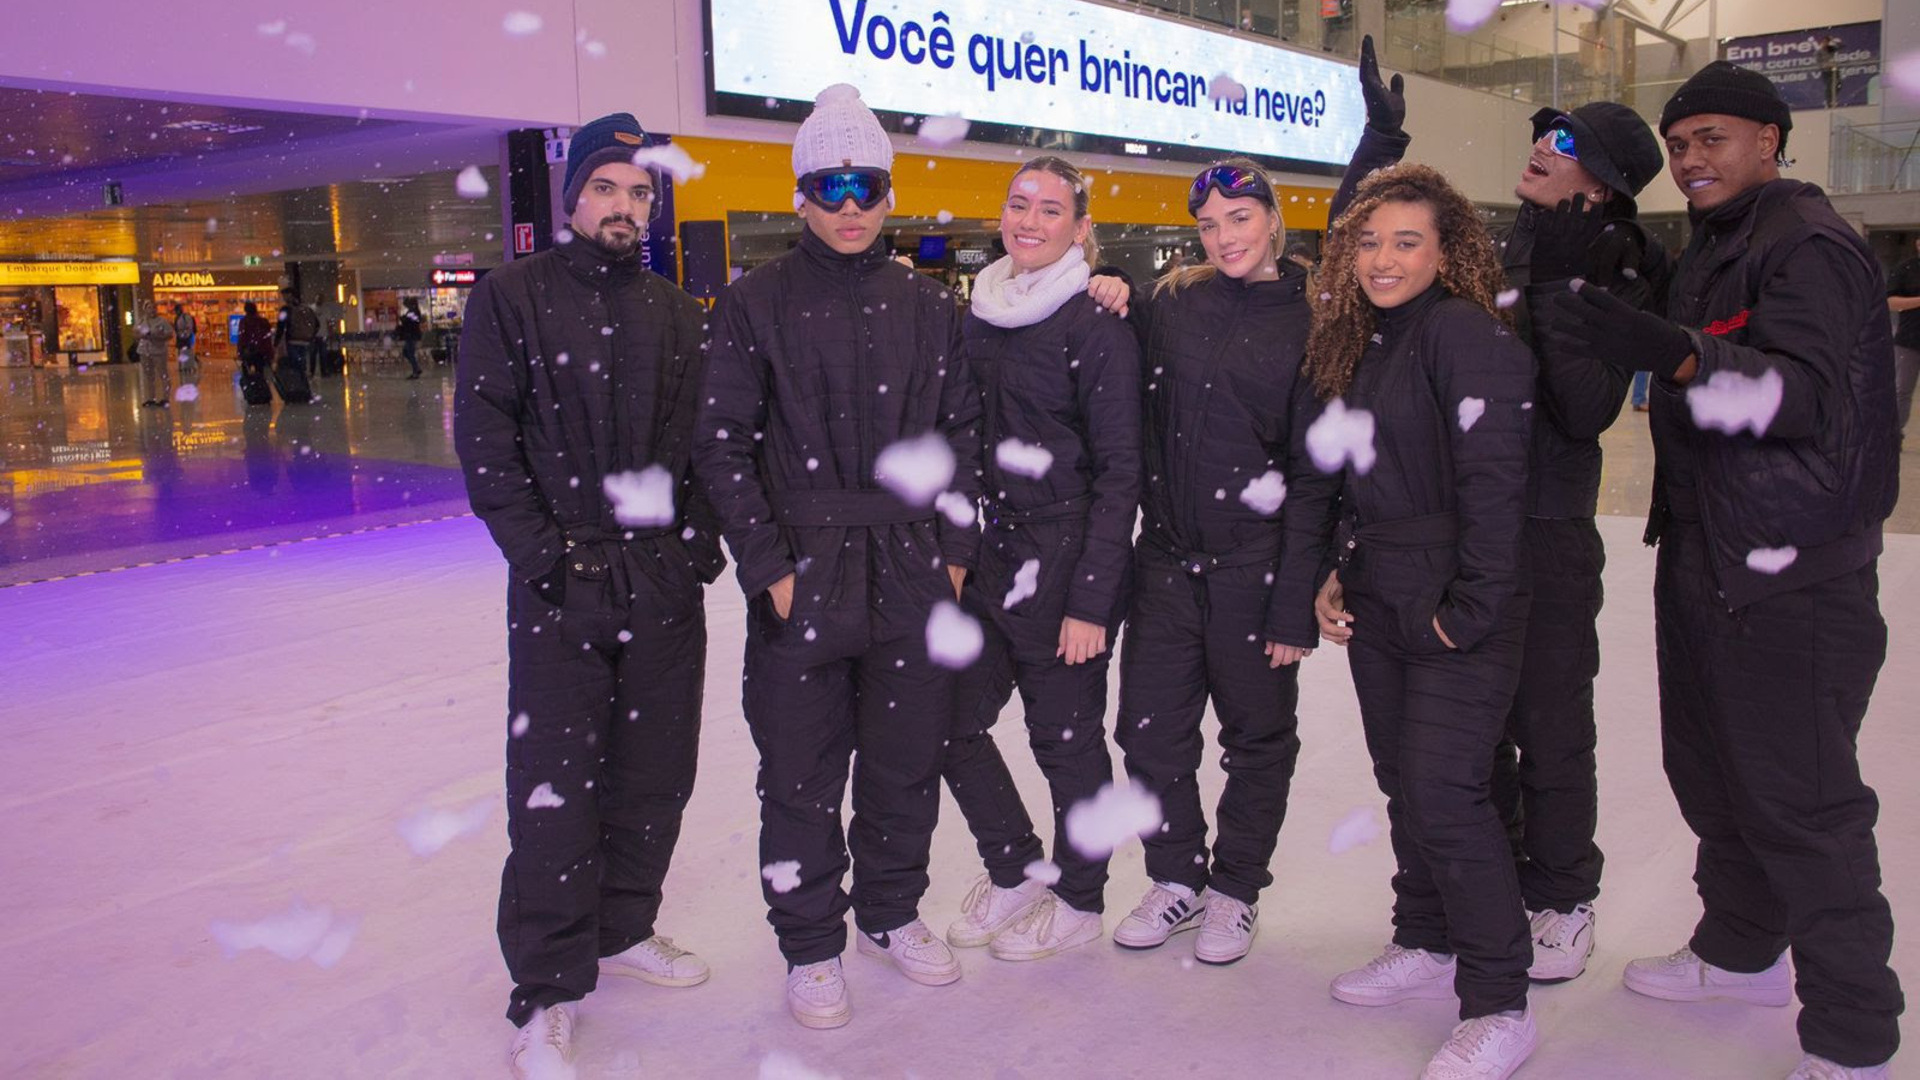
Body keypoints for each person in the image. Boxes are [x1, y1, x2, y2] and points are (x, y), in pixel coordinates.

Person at [1538, 61, 1904, 1080]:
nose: (1693, 159)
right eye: (1681, 142)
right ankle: (1741, 951)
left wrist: (1687, 354)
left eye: (1714, 139)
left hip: (1794, 574)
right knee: (1713, 773)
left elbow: (1809, 400)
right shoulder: (1717, 244)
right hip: (1709, 553)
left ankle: (1853, 1036)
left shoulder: (1807, 243)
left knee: (1802, 802)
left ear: (1769, 141)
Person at [1339, 37, 1670, 983]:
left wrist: (1566, 292)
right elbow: (1368, 254)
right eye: (1545, 131)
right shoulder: (1500, 246)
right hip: (1455, 527)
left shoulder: (1617, 262)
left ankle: (1560, 897)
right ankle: (1455, 909)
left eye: (1564, 142)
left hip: (1546, 531)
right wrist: (1381, 145)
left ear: (1601, 184)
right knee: (1454, 745)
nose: (1542, 144)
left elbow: (1584, 408)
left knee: (1550, 722)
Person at [694, 84, 984, 1031]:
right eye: (832, 184)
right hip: (805, 573)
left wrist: (951, 554)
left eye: (867, 184)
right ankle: (811, 941)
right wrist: (770, 567)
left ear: (889, 194)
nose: (851, 204)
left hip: (909, 568)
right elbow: (723, 445)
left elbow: (962, 437)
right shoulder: (753, 303)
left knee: (905, 761)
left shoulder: (930, 307)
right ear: (802, 194)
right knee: (801, 771)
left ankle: (891, 912)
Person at [453, 110, 725, 1078]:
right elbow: (488, 445)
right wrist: (544, 561)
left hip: (659, 584)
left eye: (639, 193)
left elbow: (706, 446)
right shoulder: (513, 298)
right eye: (607, 189)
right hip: (563, 584)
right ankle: (550, 987)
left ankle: (623, 928)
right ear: (574, 201)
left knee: (655, 775)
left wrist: (691, 553)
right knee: (558, 791)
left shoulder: (677, 312)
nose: (623, 207)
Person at [1307, 163, 1539, 1079]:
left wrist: (1468, 610)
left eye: (1406, 241)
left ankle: (1499, 1000)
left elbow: (1495, 483)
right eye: (1368, 241)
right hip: (1383, 589)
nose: (1382, 258)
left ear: (1448, 252)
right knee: (1407, 782)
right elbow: (1364, 476)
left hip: (1454, 601)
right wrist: (1338, 569)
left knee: (1448, 794)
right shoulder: (1370, 340)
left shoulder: (1463, 334)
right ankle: (1426, 937)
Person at [1086, 157, 1337, 966]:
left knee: (1256, 739)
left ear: (1272, 218)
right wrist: (1117, 282)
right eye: (1208, 224)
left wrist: (1294, 596)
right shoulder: (1177, 301)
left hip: (1254, 567)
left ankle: (1234, 890)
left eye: (1239, 218)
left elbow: (1313, 474)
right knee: (1148, 732)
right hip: (1165, 560)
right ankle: (1177, 879)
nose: (1224, 236)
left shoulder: (1311, 320)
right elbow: (1125, 353)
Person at [938, 156, 1141, 961]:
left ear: (1081, 230)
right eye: (1020, 203)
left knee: (1066, 739)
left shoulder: (1096, 324)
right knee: (950, 721)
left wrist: (1091, 599)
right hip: (990, 553)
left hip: (1064, 555)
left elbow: (1122, 472)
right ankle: (1017, 866)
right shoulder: (981, 310)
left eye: (1051, 210)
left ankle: (1082, 897)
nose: (1029, 220)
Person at [1886, 235, 1920, 432]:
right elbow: (1890, 302)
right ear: (1917, 244)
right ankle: (1893, 434)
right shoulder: (1905, 269)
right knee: (1902, 391)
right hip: (1909, 341)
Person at [134, 300, 175, 407]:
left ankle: (165, 398)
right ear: (145, 309)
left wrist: (158, 336)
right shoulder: (141, 321)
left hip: (158, 350)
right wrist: (141, 335)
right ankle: (150, 398)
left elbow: (170, 335)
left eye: (153, 308)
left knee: (163, 374)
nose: (151, 310)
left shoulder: (162, 321)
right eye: (149, 308)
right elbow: (135, 333)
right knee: (148, 375)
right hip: (144, 351)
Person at [275, 289, 320, 379]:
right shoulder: (306, 308)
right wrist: (310, 335)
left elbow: (280, 325)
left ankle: (297, 380)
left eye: (284, 296)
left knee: (294, 362)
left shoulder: (285, 309)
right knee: (302, 360)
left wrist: (276, 342)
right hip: (305, 340)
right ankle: (303, 377)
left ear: (290, 296)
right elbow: (317, 324)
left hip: (292, 340)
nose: (283, 298)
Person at [397, 297, 426, 380]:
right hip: (411, 334)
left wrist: (403, 319)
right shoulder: (412, 312)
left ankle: (416, 370)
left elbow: (411, 321)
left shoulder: (413, 312)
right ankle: (416, 368)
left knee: (409, 353)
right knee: (406, 352)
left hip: (411, 335)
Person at [171, 303, 198, 373]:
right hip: (180, 337)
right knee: (182, 352)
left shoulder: (185, 317)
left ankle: (189, 366)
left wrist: (185, 335)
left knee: (187, 351)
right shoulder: (177, 317)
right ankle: (183, 367)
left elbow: (189, 327)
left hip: (186, 338)